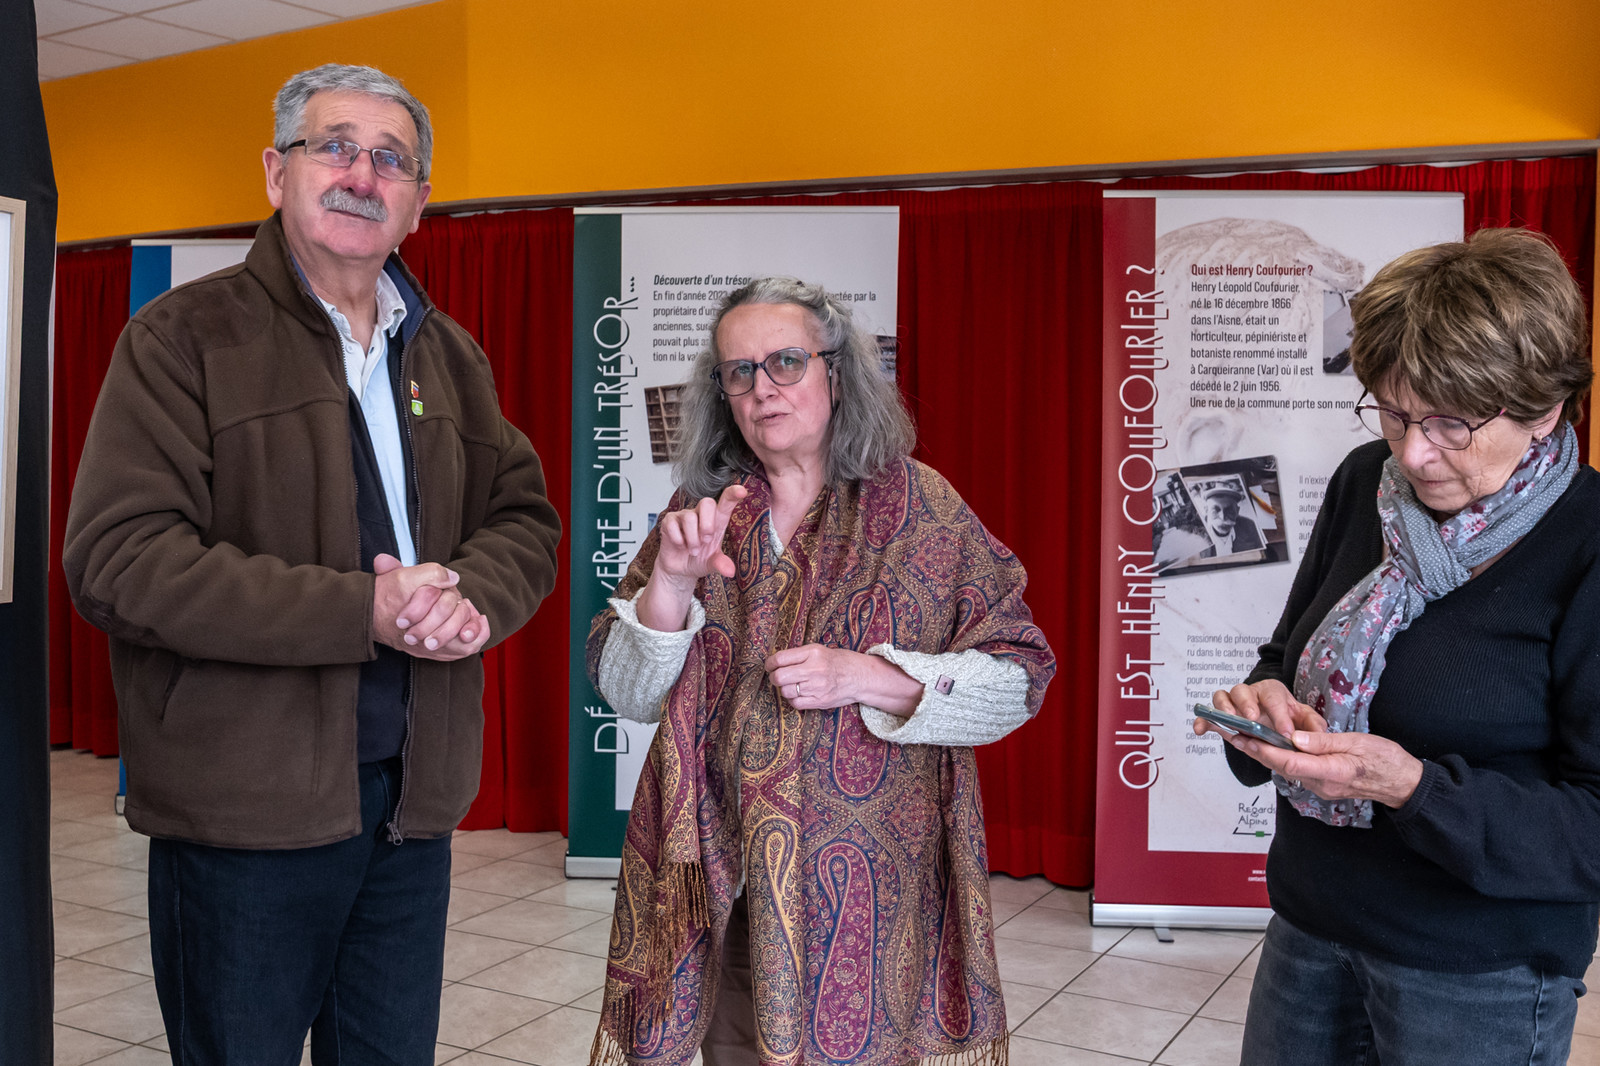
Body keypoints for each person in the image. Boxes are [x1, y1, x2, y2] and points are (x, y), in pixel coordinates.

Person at [63, 64, 562, 1063]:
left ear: (418, 204)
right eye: (333, 146)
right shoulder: (180, 340)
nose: (360, 174)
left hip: (409, 809)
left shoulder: (449, 356)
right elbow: (119, 559)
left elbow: (524, 515)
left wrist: (470, 598)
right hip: (243, 814)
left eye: (391, 160)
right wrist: (362, 610)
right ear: (274, 173)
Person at [584, 277, 1055, 1066]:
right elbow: (627, 693)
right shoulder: (705, 512)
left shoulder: (923, 510)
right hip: (727, 887)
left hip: (880, 893)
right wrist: (668, 582)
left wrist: (870, 677)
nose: (763, 388)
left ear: (836, 373)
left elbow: (1021, 676)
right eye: (739, 372)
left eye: (786, 362)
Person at [1194, 228, 1598, 1065]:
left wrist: (1409, 786)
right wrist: (1265, 703)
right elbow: (1287, 652)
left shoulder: (1587, 545)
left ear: (1546, 408)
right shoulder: (1362, 484)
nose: (1413, 452)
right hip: (1312, 925)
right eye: (1393, 409)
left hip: (1480, 968)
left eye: (1452, 422)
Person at [1195, 483, 1263, 556]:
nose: (1222, 517)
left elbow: (1259, 554)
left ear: (1237, 511)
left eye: (1229, 510)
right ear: (1206, 511)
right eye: (1215, 510)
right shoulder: (1195, 532)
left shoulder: (1249, 526)